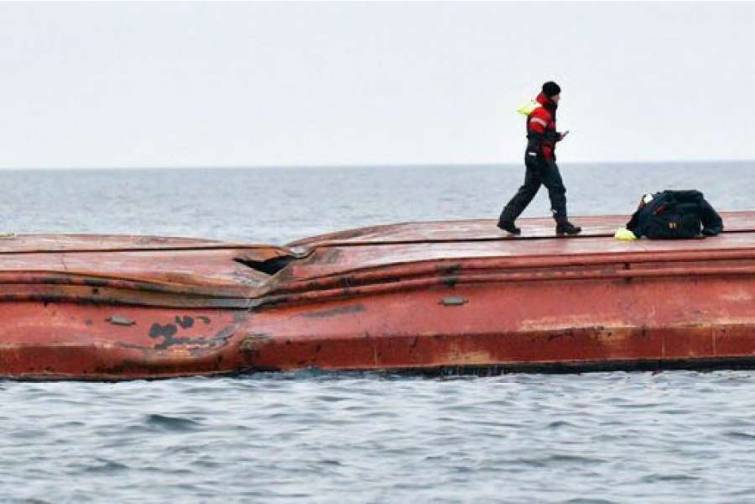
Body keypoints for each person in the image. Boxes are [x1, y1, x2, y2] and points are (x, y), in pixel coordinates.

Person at [498, 81, 581, 236]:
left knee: (528, 190)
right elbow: (535, 136)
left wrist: (556, 137)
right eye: (558, 95)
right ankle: (562, 223)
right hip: (541, 158)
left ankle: (506, 219)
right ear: (552, 95)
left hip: (537, 156)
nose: (559, 98)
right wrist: (533, 156)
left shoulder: (544, 110)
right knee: (557, 188)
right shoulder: (542, 112)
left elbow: (543, 134)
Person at [625, 190, 723, 239]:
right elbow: (698, 196)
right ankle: (713, 225)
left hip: (652, 228)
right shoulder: (656, 201)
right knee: (697, 198)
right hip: (689, 226)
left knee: (696, 198)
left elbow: (632, 225)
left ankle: (713, 226)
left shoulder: (647, 210)